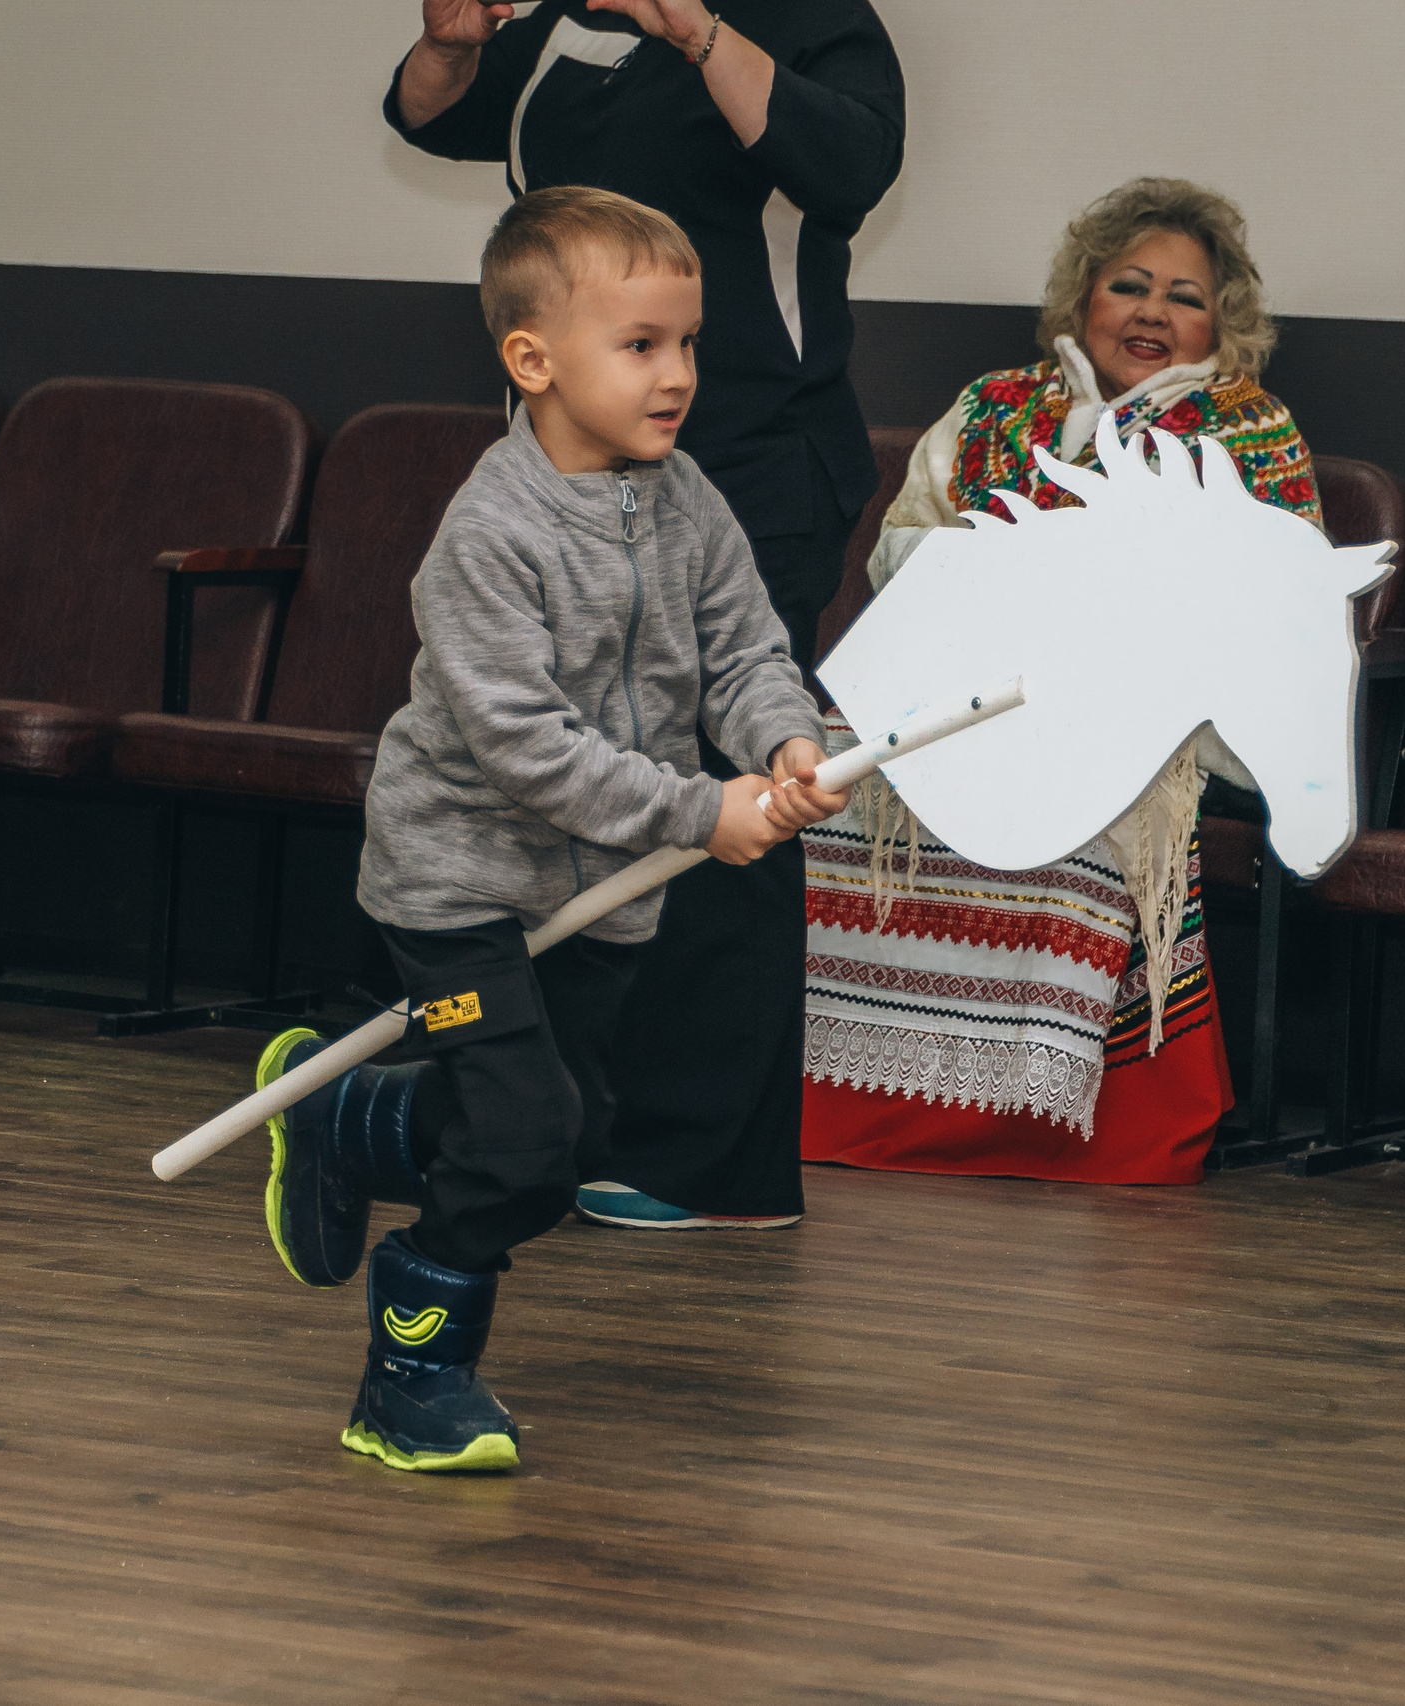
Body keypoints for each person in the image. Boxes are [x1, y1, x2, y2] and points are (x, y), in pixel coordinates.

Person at [256, 188, 843, 1472]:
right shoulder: (490, 532)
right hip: (459, 883)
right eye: (640, 344)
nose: (677, 374)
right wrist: (699, 810)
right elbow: (523, 749)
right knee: (521, 1138)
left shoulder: (687, 500)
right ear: (533, 359)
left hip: (600, 888)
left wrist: (782, 743)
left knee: (568, 1134)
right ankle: (410, 1377)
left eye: (686, 343)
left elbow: (745, 651)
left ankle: (349, 1116)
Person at [388, 0, 902, 1233]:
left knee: (729, 799)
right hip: (574, 488)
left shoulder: (811, 19)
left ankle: (709, 1162)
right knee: (572, 790)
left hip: (748, 463)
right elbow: (430, 117)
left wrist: (694, 29)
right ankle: (553, 1126)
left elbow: (848, 167)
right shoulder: (565, 24)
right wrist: (450, 45)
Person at [803, 177, 1321, 1186]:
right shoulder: (994, 403)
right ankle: (842, 1093)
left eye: (1184, 296)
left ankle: (1047, 1116)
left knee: (1088, 792)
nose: (1151, 311)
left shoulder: (1251, 431)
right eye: (1129, 285)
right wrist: (1006, 574)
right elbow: (901, 547)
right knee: (822, 770)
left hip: (1154, 714)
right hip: (965, 690)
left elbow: (1271, 614)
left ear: (1220, 324)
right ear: (1083, 296)